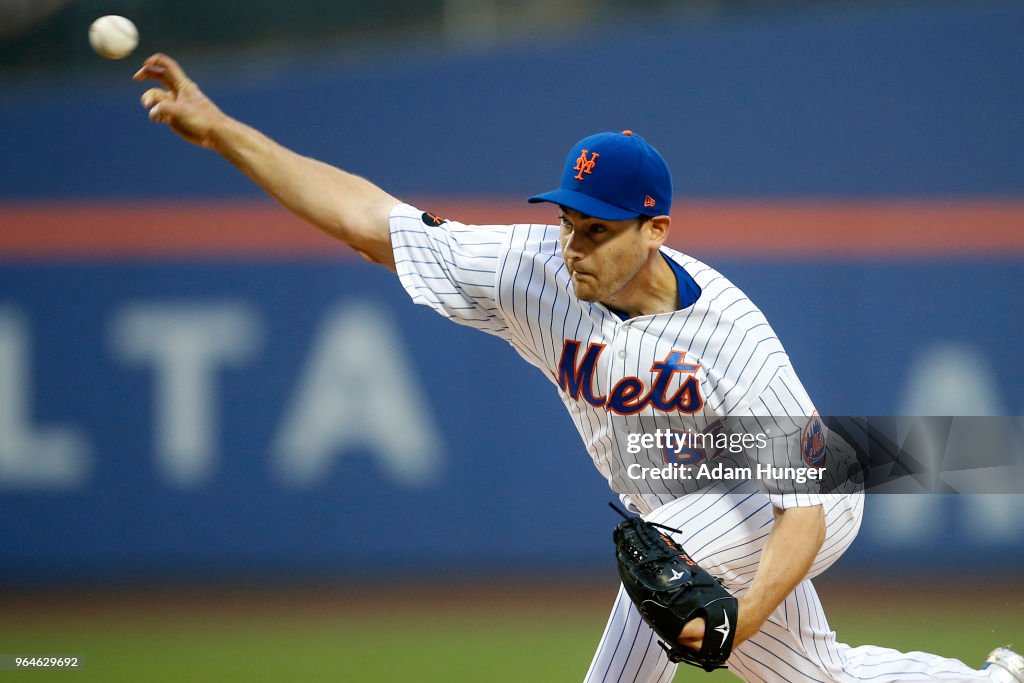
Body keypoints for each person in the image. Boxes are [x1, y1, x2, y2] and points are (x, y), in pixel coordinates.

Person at [134, 53, 1022, 683]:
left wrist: (737, 621)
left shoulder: (732, 338)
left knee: (665, 574)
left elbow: (807, 506)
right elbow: (373, 223)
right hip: (683, 499)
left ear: (655, 230)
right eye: (567, 218)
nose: (573, 244)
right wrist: (223, 132)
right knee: (815, 677)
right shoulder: (532, 269)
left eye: (597, 227)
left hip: (805, 492)